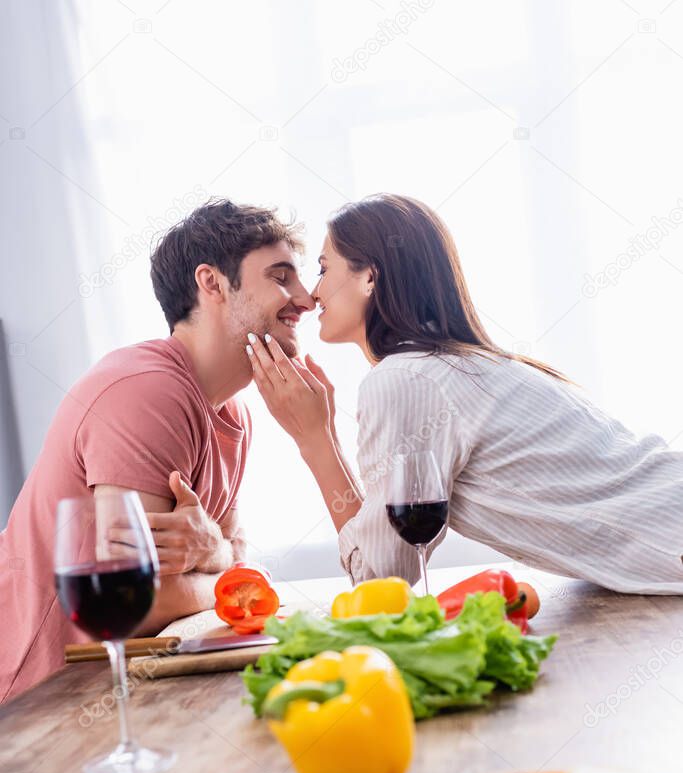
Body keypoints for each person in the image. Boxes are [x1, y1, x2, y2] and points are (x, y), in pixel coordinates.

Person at [248, 193, 683, 594]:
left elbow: (382, 579)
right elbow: (387, 547)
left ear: (370, 279)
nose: (311, 293)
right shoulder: (459, 366)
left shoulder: (406, 379)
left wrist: (314, 439)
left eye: (324, 269)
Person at [0, 198, 315, 701]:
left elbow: (228, 560)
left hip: (122, 687)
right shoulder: (146, 391)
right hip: (39, 705)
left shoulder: (234, 412)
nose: (306, 298)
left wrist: (214, 556)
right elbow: (138, 602)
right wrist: (222, 569)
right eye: (281, 277)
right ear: (211, 283)